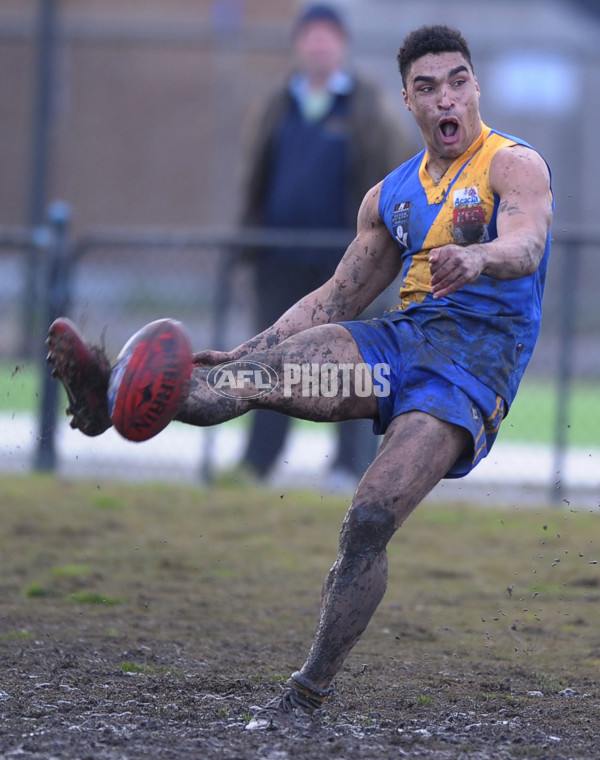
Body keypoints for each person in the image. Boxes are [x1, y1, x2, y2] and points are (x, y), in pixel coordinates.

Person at [46, 25, 553, 731]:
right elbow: (335, 299)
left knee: (370, 518)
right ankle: (107, 396)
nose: (447, 96)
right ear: (407, 99)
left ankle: (305, 697)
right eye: (428, 85)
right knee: (235, 386)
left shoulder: (513, 165)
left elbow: (526, 241)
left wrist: (482, 259)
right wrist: (246, 351)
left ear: (475, 86)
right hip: (397, 346)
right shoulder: (391, 196)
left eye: (458, 79)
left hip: (467, 373)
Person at [238, 4, 417, 489]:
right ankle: (258, 463)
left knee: (353, 365)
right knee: (269, 360)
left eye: (328, 36)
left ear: (342, 45)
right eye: (310, 36)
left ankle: (347, 466)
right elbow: (255, 174)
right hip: (278, 261)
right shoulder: (278, 104)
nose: (318, 45)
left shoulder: (366, 104)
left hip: (348, 268)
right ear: (298, 43)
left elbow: (395, 175)